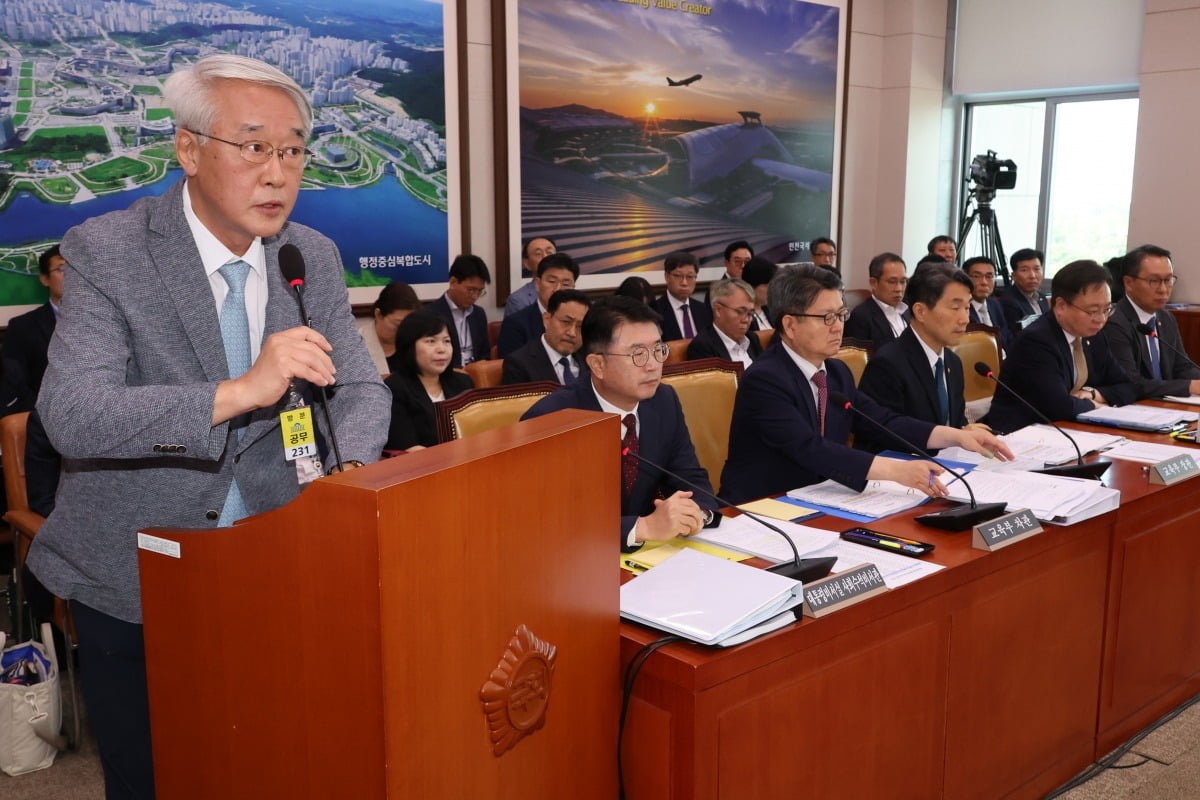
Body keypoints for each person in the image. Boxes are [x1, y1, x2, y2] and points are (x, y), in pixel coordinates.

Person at [26, 54, 390, 799]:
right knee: (156, 777)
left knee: (268, 758)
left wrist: (346, 472)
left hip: (277, 560)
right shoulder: (107, 250)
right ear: (188, 150)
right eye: (254, 145)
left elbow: (359, 387)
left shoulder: (308, 255)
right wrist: (240, 390)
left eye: (292, 149)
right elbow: (72, 416)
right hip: (136, 570)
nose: (279, 172)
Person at [719, 266, 1009, 504]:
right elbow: (809, 447)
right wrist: (896, 470)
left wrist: (956, 436)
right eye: (827, 318)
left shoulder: (836, 371)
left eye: (841, 315)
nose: (838, 326)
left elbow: (881, 420)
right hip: (761, 506)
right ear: (791, 325)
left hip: (821, 496)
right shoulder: (765, 379)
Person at [522, 296, 720, 549]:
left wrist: (697, 514)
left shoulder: (663, 401)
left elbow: (690, 479)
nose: (652, 365)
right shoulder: (549, 421)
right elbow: (547, 522)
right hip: (574, 563)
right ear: (598, 364)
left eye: (658, 350)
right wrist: (642, 528)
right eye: (637, 354)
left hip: (647, 561)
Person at [986, 260, 1137, 432]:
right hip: (1019, 435)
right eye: (1092, 311)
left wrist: (1092, 394)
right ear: (1061, 306)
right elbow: (1059, 406)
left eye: (1107, 309)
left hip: (1068, 430)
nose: (1101, 319)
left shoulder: (1094, 335)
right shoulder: (1036, 341)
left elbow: (1128, 386)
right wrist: (1096, 405)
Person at [856, 264, 975, 451]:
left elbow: (954, 422)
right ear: (920, 311)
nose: (965, 319)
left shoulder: (952, 361)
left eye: (967, 308)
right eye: (955, 308)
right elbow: (881, 436)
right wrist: (954, 436)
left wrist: (965, 430)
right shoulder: (888, 363)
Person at [1102, 244, 1200, 398]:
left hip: (1165, 407)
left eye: (1168, 280)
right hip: (1134, 409)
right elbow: (1131, 382)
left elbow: (1183, 368)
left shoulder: (1166, 318)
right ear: (1129, 283)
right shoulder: (1115, 322)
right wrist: (1189, 386)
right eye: (1154, 281)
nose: (1163, 289)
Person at [384, 311, 474, 451]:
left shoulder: (463, 382)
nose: (442, 349)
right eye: (431, 341)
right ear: (409, 346)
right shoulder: (394, 389)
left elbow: (476, 433)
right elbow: (407, 446)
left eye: (446, 341)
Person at [0, 244, 65, 416]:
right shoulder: (23, 327)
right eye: (63, 269)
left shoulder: (108, 319)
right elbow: (13, 386)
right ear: (45, 279)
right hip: (44, 422)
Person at [501, 289, 591, 385]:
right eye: (566, 322)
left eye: (580, 326)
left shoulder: (591, 358)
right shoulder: (518, 364)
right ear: (547, 320)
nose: (572, 333)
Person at [496, 252, 578, 357]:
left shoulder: (582, 321)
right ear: (538, 284)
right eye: (552, 281)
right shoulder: (515, 323)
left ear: (573, 287)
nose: (558, 289)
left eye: (566, 284)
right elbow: (512, 367)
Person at [429, 254, 491, 367]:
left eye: (479, 291)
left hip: (476, 375)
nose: (474, 296)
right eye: (471, 290)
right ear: (453, 282)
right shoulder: (431, 314)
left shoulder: (479, 314)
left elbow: (485, 353)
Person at [686, 278, 763, 368]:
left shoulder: (752, 339)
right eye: (740, 311)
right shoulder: (702, 347)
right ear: (718, 310)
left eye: (750, 313)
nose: (746, 320)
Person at [843, 251, 908, 350]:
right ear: (873, 283)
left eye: (903, 282)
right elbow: (857, 361)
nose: (899, 288)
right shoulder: (861, 317)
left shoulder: (909, 310)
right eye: (892, 282)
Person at [356, 280, 420, 375]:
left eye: (409, 324)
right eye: (398, 324)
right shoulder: (356, 343)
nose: (404, 330)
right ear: (378, 314)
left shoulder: (419, 339)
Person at [653, 251, 712, 340]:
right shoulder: (654, 311)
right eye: (678, 276)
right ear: (666, 276)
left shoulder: (703, 309)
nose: (684, 283)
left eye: (689, 276)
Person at [963, 256, 1012, 349]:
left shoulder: (994, 304)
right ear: (965, 278)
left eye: (989, 276)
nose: (984, 282)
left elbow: (1007, 336)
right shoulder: (960, 309)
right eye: (976, 276)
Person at [999, 247, 1050, 335]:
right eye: (1024, 270)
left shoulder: (1041, 297)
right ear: (1013, 276)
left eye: (1037, 269)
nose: (1032, 276)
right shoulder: (1009, 302)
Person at [505, 236, 557, 313]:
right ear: (527, 264)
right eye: (538, 253)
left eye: (550, 252)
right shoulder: (517, 300)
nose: (545, 257)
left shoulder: (570, 294)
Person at [742, 255, 777, 331]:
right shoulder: (742, 317)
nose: (772, 291)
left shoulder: (772, 311)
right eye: (768, 286)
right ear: (751, 286)